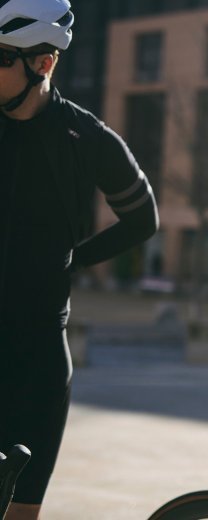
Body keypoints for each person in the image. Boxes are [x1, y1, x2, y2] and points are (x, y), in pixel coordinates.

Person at [0, 0, 159, 518]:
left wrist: (72, 261)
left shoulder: (85, 137)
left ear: (42, 64)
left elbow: (143, 220)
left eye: (1, 57)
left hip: (37, 367)